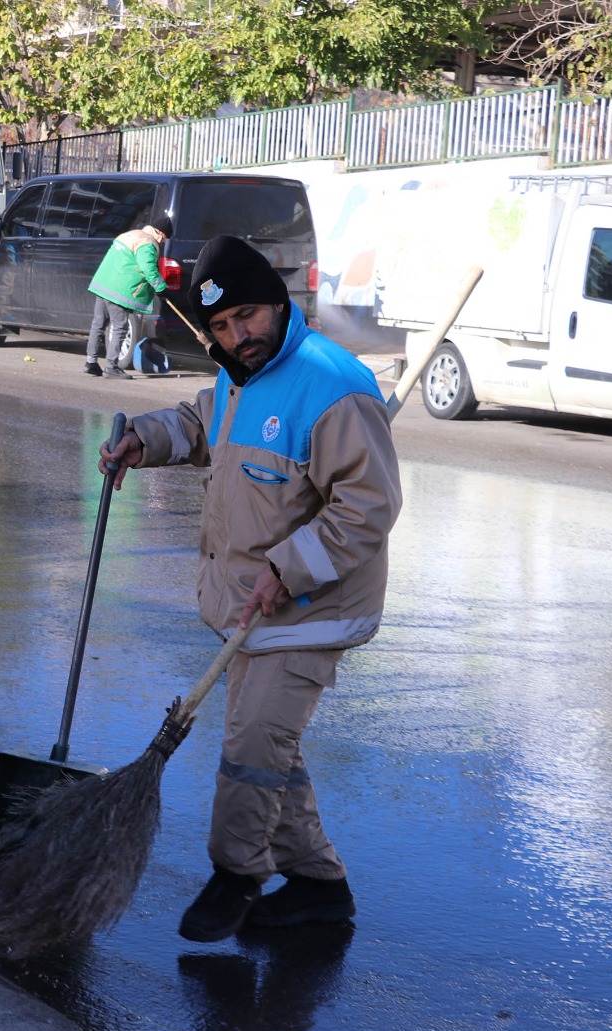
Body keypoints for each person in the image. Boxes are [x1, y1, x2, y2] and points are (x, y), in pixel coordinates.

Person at [99, 236, 402, 942]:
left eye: (248, 316)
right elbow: (204, 422)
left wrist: (286, 568)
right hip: (249, 609)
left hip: (312, 609)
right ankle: (320, 886)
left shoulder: (336, 389)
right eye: (222, 328)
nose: (239, 336)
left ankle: (236, 873)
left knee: (251, 745)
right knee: (273, 752)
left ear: (278, 303)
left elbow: (368, 509)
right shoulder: (240, 374)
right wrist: (146, 439)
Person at [85, 215, 173, 378]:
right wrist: (161, 288)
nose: (164, 242)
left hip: (103, 283)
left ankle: (91, 361)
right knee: (120, 326)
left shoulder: (130, 234)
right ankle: (111, 367)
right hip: (118, 290)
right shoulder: (148, 243)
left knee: (99, 323)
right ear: (160, 233)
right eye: (165, 238)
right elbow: (148, 269)